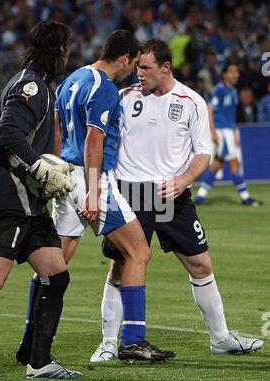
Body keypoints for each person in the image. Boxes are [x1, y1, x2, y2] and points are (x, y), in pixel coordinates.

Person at [88, 39, 263, 362]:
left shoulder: (191, 101)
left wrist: (183, 180)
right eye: (137, 66)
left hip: (173, 195)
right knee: (120, 265)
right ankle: (110, 342)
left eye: (145, 68)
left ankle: (221, 338)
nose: (138, 73)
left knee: (200, 264)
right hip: (131, 192)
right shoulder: (124, 98)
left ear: (165, 68)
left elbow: (203, 153)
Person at [16, 30, 176, 364]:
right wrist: (92, 192)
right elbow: (94, 139)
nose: (133, 72)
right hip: (93, 179)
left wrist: (59, 176)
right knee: (138, 252)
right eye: (133, 64)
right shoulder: (104, 87)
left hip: (66, 177)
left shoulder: (71, 79)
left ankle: (30, 339)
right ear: (124, 58)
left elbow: (58, 129)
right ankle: (132, 340)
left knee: (52, 263)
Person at [0, 21, 82, 380]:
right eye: (65, 48)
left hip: (29, 206)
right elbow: (7, 131)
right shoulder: (31, 86)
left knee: (55, 274)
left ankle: (39, 362)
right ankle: (37, 360)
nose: (67, 55)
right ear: (57, 50)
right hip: (10, 202)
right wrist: (38, 166)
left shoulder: (37, 84)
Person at [194, 63, 262, 206]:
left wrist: (235, 132)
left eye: (236, 71)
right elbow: (210, 109)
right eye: (231, 72)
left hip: (230, 131)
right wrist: (213, 131)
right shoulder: (220, 89)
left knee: (217, 164)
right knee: (234, 163)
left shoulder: (234, 91)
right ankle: (245, 197)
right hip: (222, 132)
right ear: (224, 74)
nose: (235, 74)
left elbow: (231, 115)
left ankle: (200, 196)